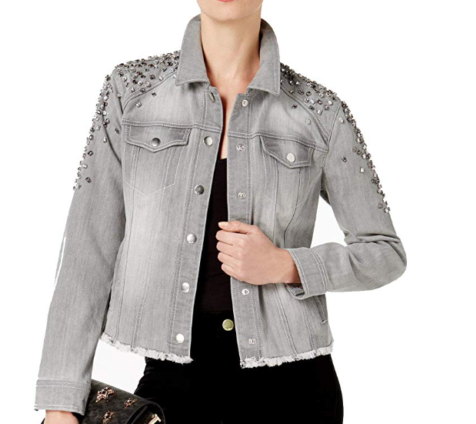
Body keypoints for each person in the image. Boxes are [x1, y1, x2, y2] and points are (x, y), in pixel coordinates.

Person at [35, 1, 407, 423]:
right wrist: (60, 401)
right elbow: (87, 252)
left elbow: (384, 252)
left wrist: (286, 265)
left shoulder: (320, 112)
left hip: (296, 391)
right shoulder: (130, 93)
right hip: (173, 386)